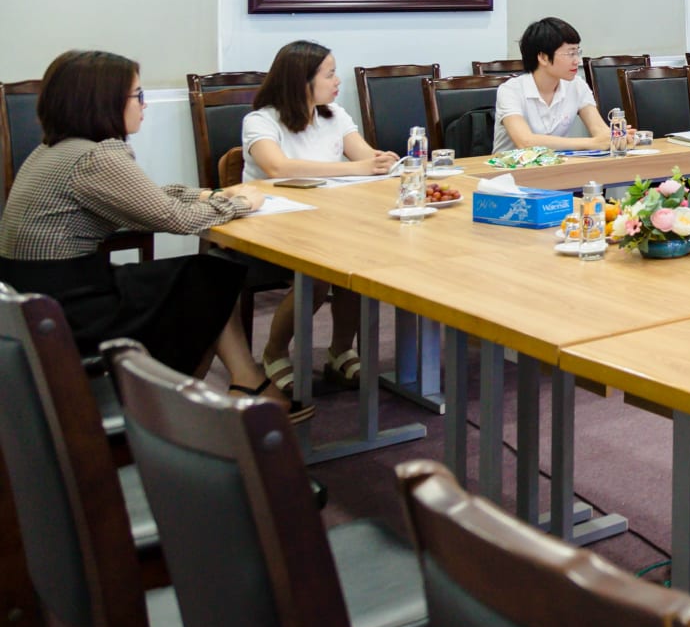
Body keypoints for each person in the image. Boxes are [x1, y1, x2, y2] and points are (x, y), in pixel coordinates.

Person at [0, 50, 293, 418]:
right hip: (67, 304)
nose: (145, 105)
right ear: (103, 101)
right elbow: (175, 219)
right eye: (138, 95)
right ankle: (179, 407)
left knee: (203, 276)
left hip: (32, 290)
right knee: (207, 278)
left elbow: (147, 197)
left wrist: (211, 195)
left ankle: (245, 383)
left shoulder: (55, 148)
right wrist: (240, 204)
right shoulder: (97, 156)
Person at [244, 41, 398, 399]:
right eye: (329, 75)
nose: (336, 81)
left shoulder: (334, 115)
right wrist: (356, 168)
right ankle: (274, 352)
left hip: (330, 217)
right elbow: (277, 167)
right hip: (274, 221)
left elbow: (364, 157)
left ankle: (340, 351)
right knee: (315, 274)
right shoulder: (261, 120)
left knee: (360, 263)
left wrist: (381, 161)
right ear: (301, 81)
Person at [494, 17, 609, 154]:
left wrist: (617, 138)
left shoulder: (577, 85)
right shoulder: (510, 90)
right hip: (511, 166)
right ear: (543, 57)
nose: (577, 61)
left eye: (577, 52)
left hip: (557, 164)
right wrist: (592, 143)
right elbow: (525, 142)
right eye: (570, 54)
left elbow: (601, 131)